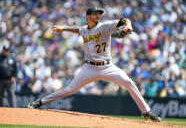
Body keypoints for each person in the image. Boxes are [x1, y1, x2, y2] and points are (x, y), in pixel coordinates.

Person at [28, 7, 161, 122]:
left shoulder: (104, 26)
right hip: (89, 68)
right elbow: (79, 30)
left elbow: (124, 20)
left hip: (107, 67)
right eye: (95, 14)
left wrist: (129, 26)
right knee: (69, 89)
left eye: (99, 14)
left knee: (128, 82)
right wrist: (63, 29)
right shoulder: (85, 29)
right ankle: (40, 102)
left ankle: (146, 111)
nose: (98, 16)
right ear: (87, 17)